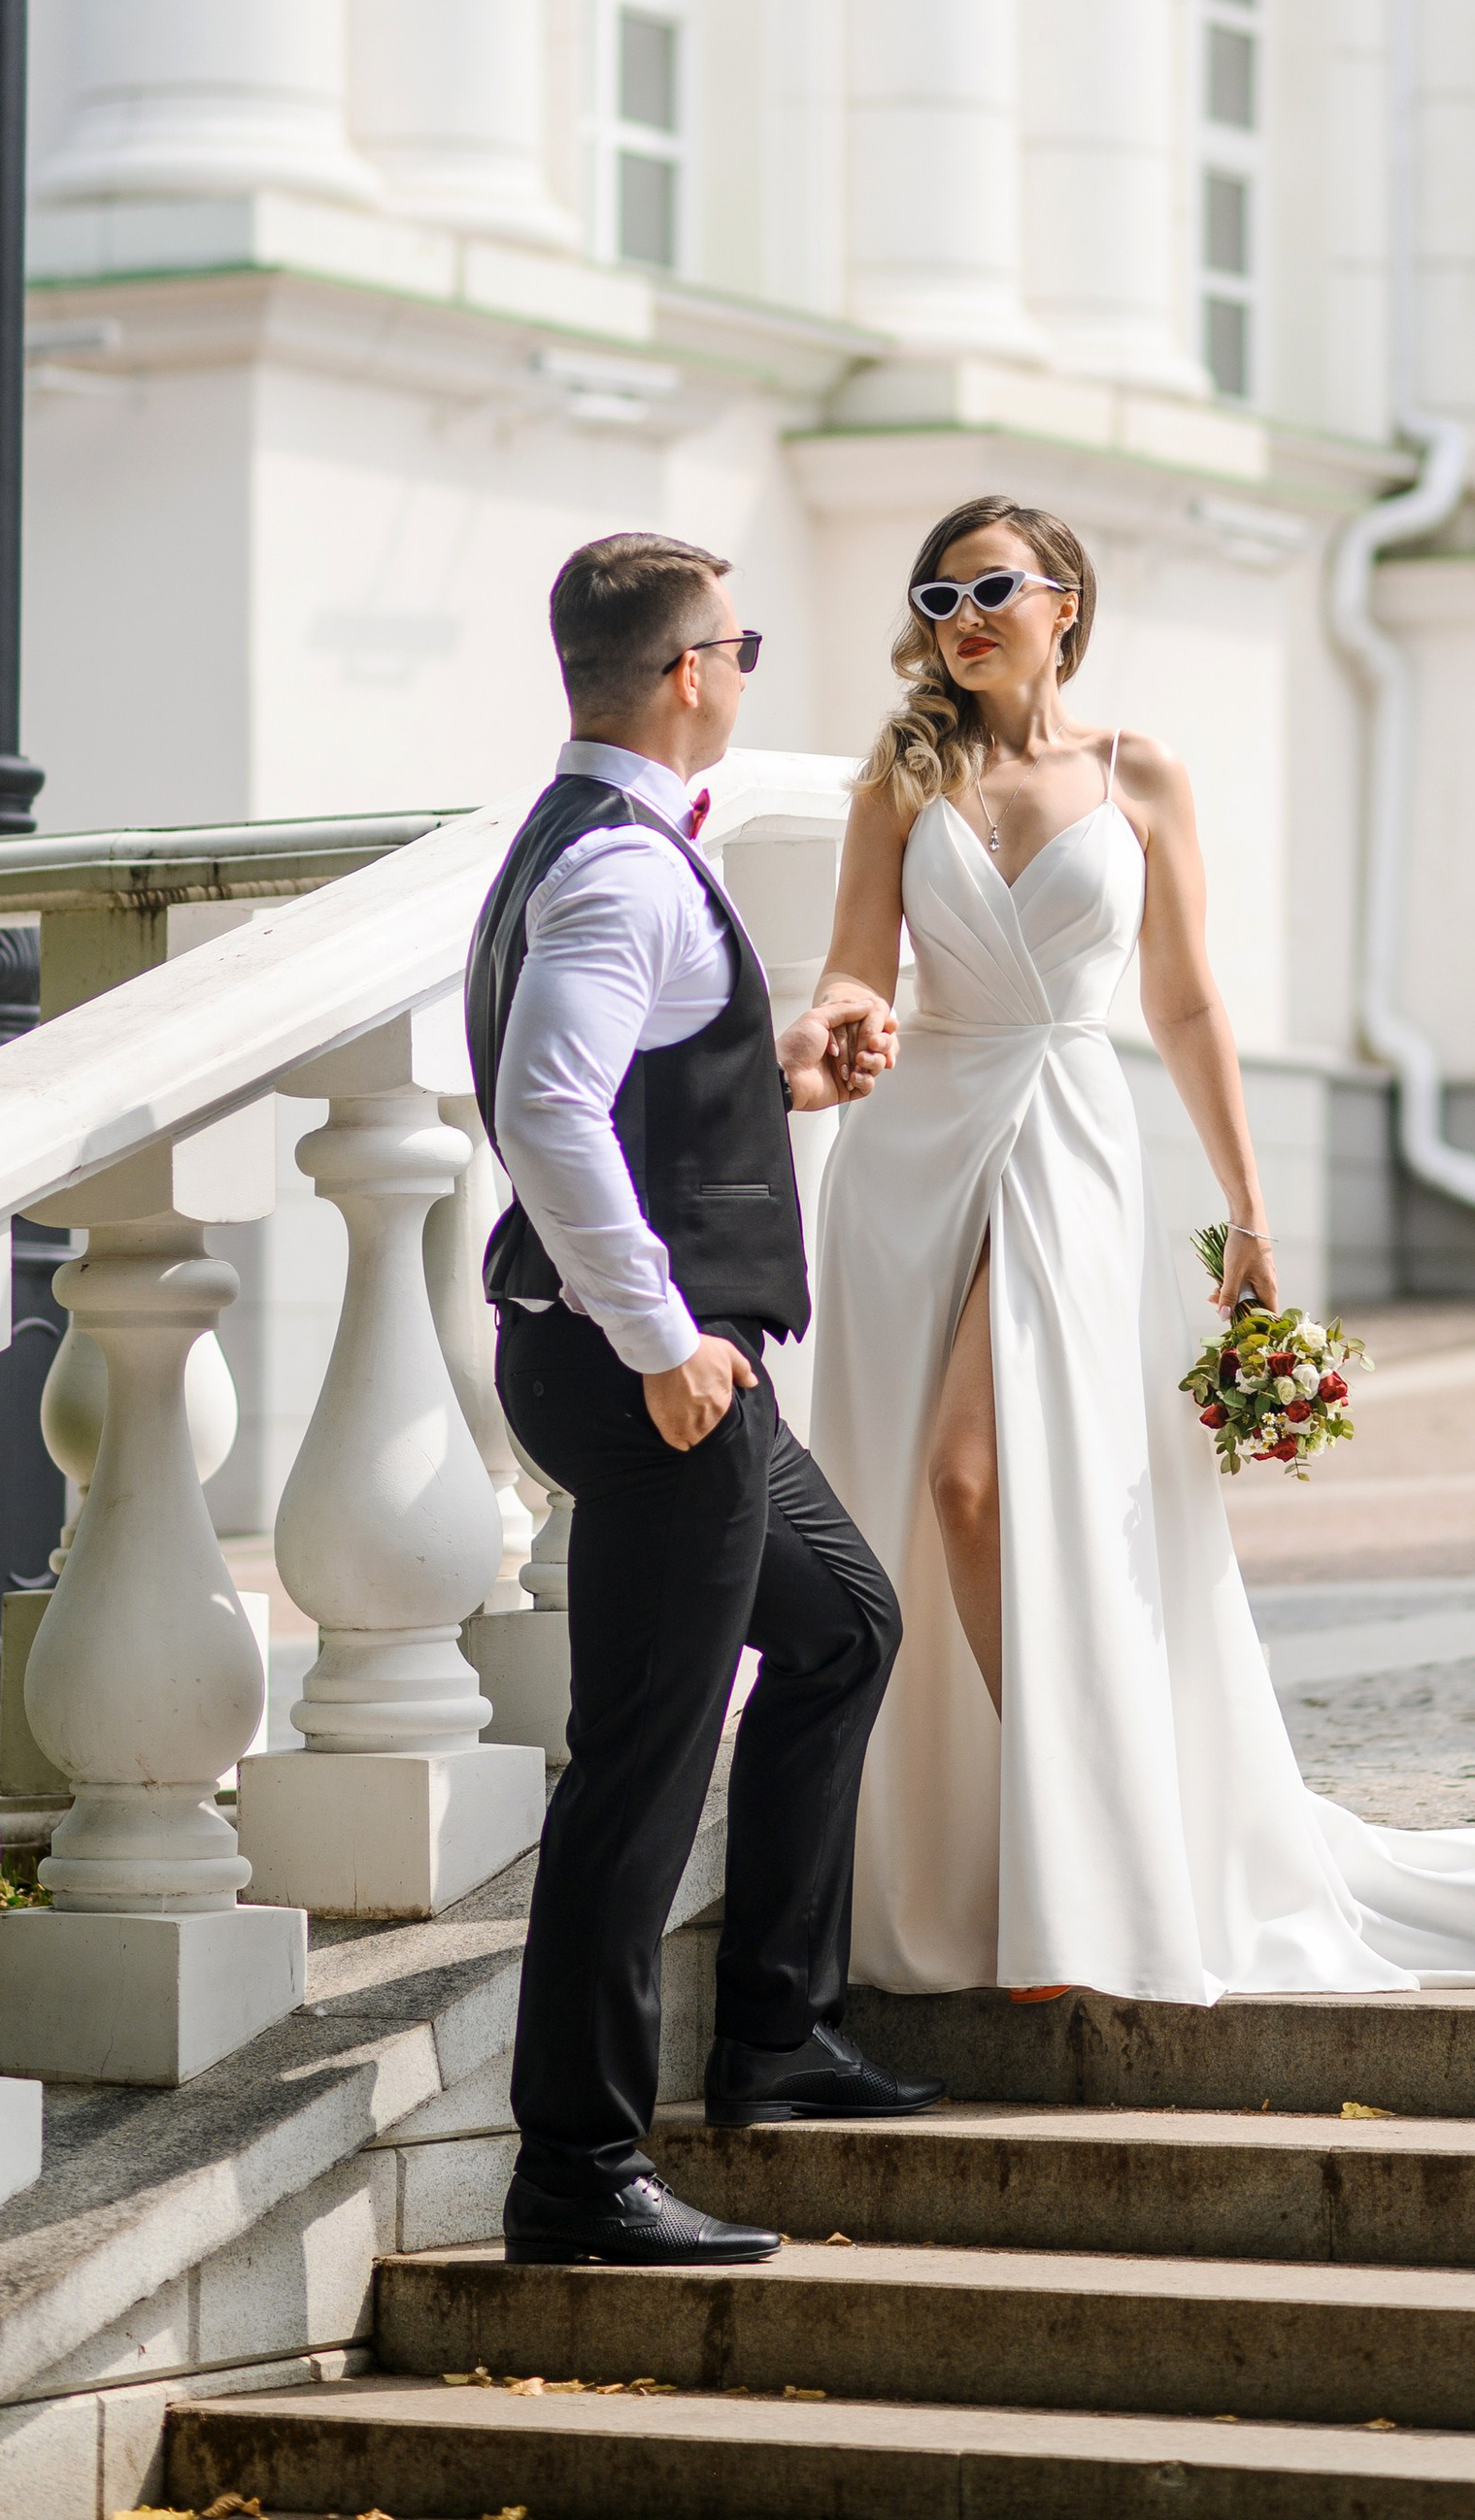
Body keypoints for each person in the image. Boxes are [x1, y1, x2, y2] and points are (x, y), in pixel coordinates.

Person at [806, 495, 1475, 2006]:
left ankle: (1085, 1857)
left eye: (992, 591)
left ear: (1066, 604)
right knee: (934, 1495)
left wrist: (1249, 1213)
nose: (961, 619)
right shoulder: (899, 779)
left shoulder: (1135, 770)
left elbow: (1186, 1003)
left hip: (1074, 1148)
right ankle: (1044, 1857)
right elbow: (849, 956)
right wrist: (841, 1017)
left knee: (999, 1489)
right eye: (936, 596)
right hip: (915, 1159)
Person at [464, 529, 942, 2271]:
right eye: (737, 644)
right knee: (639, 1770)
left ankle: (772, 2035)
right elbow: (549, 1114)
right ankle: (575, 2174)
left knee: (843, 1629)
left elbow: (644, 1093)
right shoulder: (622, 875)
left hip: (647, 1360)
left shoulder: (593, 843)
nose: (749, 666)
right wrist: (663, 1341)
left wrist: (784, 1073)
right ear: (686, 672)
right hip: (647, 1374)